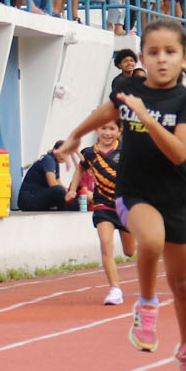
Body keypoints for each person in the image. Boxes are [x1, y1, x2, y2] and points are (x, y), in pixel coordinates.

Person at [54, 18, 186, 371]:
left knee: (184, 282)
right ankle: (147, 304)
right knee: (150, 241)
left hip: (174, 197)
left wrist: (144, 116)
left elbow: (178, 152)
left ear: (184, 58)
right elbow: (106, 112)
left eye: (170, 52)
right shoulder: (127, 88)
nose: (161, 59)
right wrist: (75, 135)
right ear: (141, 56)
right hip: (133, 193)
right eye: (153, 52)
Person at [74, 119, 132, 305]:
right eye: (103, 128)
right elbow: (80, 168)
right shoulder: (90, 153)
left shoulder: (126, 151)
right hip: (103, 206)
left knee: (130, 251)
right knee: (106, 245)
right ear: (96, 129)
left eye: (111, 129)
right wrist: (72, 189)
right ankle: (115, 289)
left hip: (124, 206)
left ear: (119, 130)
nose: (107, 133)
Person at [17, 141, 73, 211]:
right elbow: (53, 184)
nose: (64, 156)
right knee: (59, 191)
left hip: (36, 196)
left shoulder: (55, 162)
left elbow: (59, 183)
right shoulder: (48, 159)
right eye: (63, 152)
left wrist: (70, 191)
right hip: (28, 199)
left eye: (67, 154)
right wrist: (66, 193)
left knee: (67, 193)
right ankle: (63, 211)